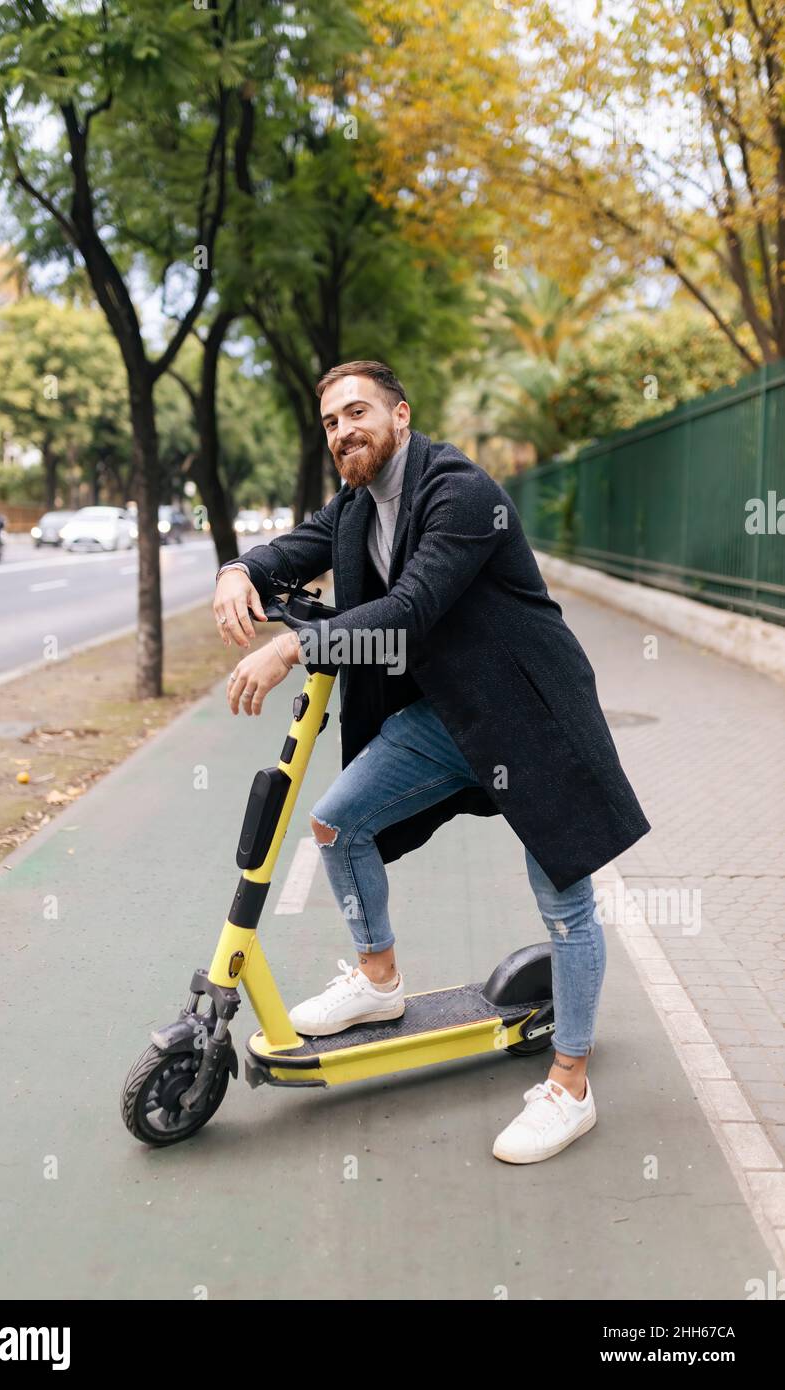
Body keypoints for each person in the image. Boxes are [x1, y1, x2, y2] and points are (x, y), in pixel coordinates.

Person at [212, 360, 650, 1164]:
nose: (344, 431)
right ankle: (378, 980)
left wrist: (294, 648)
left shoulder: (461, 492)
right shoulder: (355, 504)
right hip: (448, 716)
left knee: (564, 899)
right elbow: (295, 546)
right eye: (331, 423)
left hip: (528, 714)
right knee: (338, 822)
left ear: (401, 415)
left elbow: (411, 609)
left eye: (357, 413)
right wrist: (241, 569)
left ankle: (571, 1086)